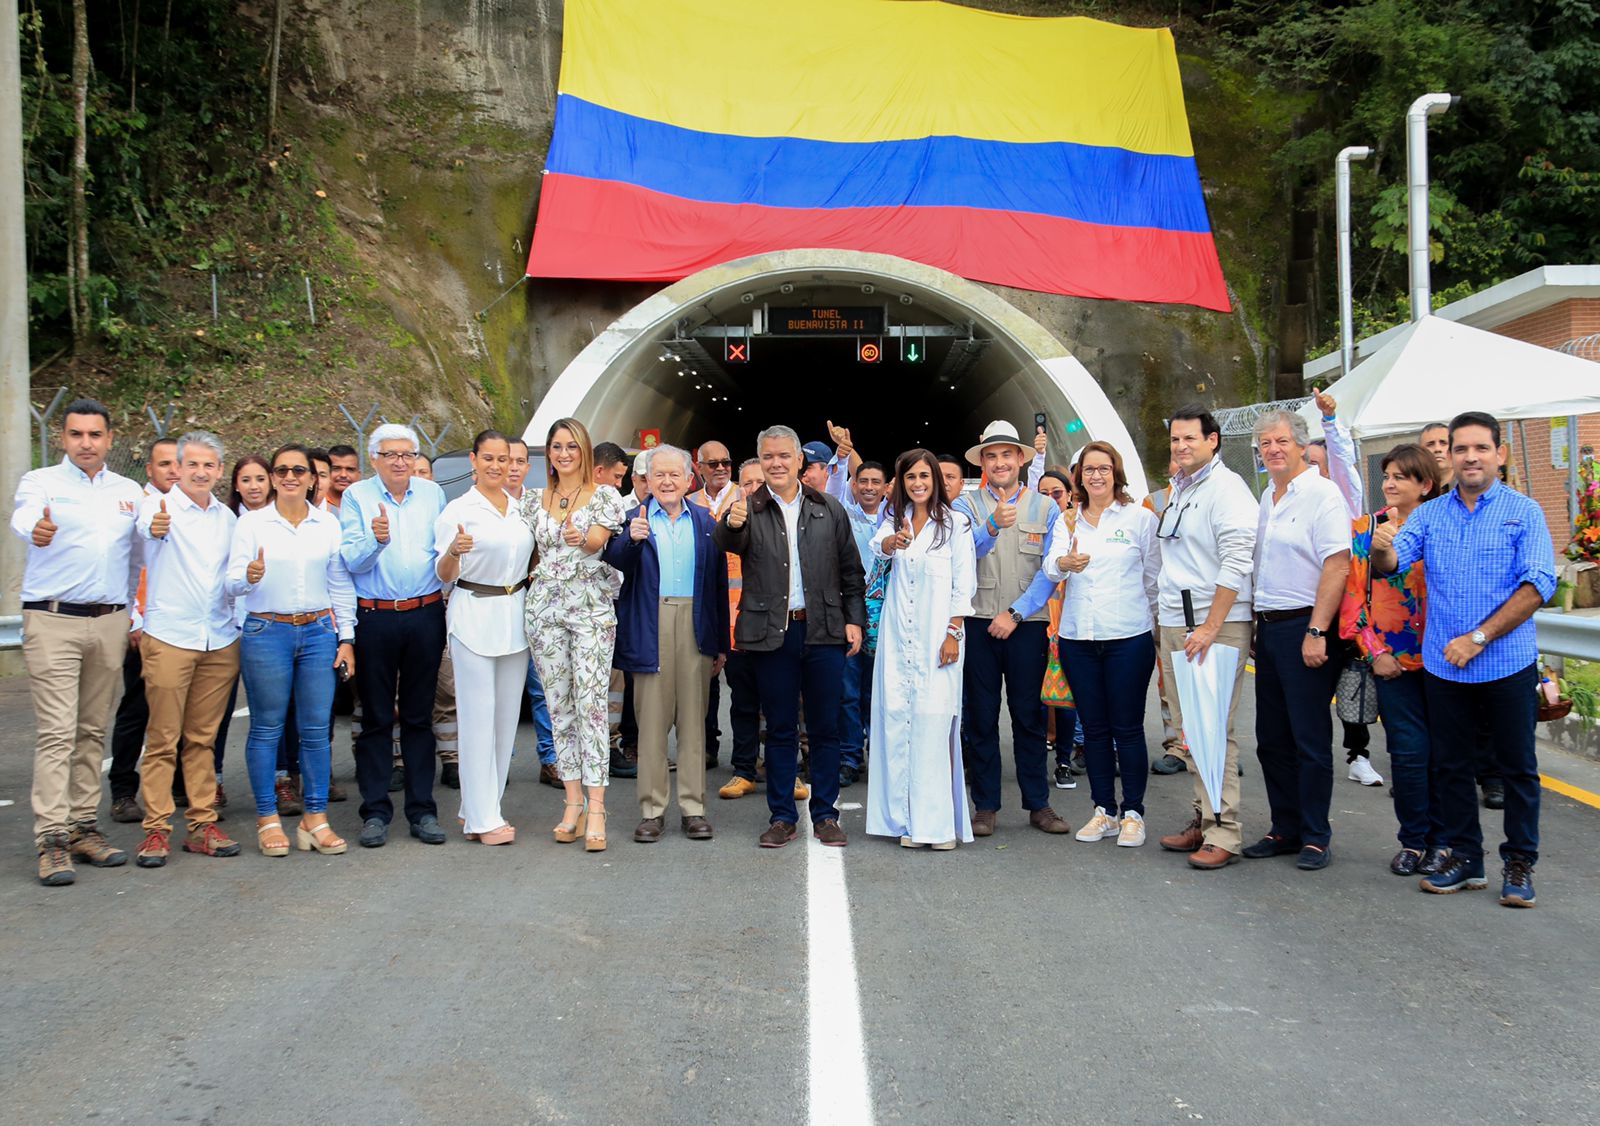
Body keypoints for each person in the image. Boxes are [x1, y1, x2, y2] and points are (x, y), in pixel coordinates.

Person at [1372, 411, 1557, 907]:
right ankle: (1466, 858)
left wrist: (1478, 637)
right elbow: (1394, 563)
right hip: (1443, 666)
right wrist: (1382, 549)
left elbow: (1539, 583)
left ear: (1500, 454)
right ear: (1448, 458)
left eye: (1480, 448)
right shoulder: (1430, 515)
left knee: (1517, 768)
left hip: (1506, 662)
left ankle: (1519, 862)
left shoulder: (1525, 511)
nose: (1470, 457)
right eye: (1460, 449)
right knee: (1450, 767)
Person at [714, 424, 865, 848]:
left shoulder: (829, 508)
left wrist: (854, 620)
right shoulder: (749, 508)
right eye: (768, 457)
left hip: (823, 631)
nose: (776, 463)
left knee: (824, 727)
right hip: (771, 634)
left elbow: (852, 571)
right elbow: (726, 540)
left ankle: (826, 815)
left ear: (800, 461)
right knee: (779, 727)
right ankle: (782, 816)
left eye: (784, 456)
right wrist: (732, 520)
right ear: (760, 462)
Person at [12, 399, 140, 885]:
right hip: (53, 620)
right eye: (76, 434)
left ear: (109, 440)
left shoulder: (129, 492)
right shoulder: (41, 483)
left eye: (95, 435)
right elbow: (24, 520)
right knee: (57, 732)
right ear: (63, 438)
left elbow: (134, 559)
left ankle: (84, 826)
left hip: (109, 621)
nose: (86, 443)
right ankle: (52, 840)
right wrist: (36, 529)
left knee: (91, 730)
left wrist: (129, 614)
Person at [227, 443, 356, 858]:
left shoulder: (327, 524)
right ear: (272, 477)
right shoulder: (252, 525)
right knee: (267, 728)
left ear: (311, 478)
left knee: (317, 730)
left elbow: (339, 583)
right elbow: (230, 583)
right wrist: (247, 576)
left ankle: (315, 819)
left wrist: (347, 638)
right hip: (267, 630)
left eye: (298, 470)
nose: (289, 477)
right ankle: (267, 820)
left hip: (318, 630)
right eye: (280, 470)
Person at [1242, 411, 1351, 872]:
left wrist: (1316, 630)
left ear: (1301, 445)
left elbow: (1338, 565)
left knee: (1308, 738)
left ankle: (1315, 835)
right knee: (1271, 737)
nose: (1273, 450)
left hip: (1304, 626)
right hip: (1267, 628)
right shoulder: (1267, 495)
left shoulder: (1323, 494)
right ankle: (1284, 827)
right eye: (1265, 444)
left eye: (1281, 441)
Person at [954, 420, 1073, 837]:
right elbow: (960, 554)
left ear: (1021, 459)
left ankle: (1038, 804)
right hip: (979, 622)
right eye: (992, 455)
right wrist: (991, 526)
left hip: (1024, 625)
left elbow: (1051, 570)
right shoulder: (965, 506)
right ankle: (985, 805)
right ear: (982, 461)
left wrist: (1017, 613)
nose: (1000, 462)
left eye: (1008, 454)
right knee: (981, 717)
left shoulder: (1047, 507)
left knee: (1030, 717)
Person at [606, 445, 729, 842]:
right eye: (658, 475)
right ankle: (652, 810)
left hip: (695, 621)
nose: (667, 482)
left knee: (694, 720)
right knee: (652, 722)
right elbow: (615, 561)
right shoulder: (632, 520)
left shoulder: (707, 522)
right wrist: (631, 540)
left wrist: (721, 641)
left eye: (674, 474)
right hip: (651, 620)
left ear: (689, 479)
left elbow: (718, 585)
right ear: (646, 479)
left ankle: (693, 808)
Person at [1153, 405, 1258, 870]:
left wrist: (1212, 625)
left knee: (1214, 728)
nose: (1180, 447)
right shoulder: (1180, 489)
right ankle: (1204, 817)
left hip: (1212, 625)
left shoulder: (1227, 489)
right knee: (1192, 730)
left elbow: (1238, 559)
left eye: (1189, 439)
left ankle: (1225, 831)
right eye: (1175, 440)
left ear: (1213, 440)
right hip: (1178, 620)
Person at [132, 432, 242, 867]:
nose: (200, 472)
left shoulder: (227, 519)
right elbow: (145, 532)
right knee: (162, 739)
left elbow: (234, 579)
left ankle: (201, 824)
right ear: (177, 468)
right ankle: (156, 829)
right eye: (191, 464)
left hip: (219, 639)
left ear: (218, 470)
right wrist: (154, 528)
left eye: (209, 465)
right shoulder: (156, 509)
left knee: (202, 739)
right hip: (170, 638)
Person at [1044, 442, 1160, 847]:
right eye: (1088, 469)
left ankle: (1133, 813)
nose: (1096, 476)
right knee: (1093, 730)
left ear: (1116, 473)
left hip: (1128, 636)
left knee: (1126, 728)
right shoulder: (1068, 521)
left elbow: (1153, 577)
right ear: (1079, 476)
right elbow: (1050, 564)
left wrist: (1156, 626)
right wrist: (1064, 564)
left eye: (1103, 469)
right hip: (1078, 638)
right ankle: (1103, 811)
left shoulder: (1140, 519)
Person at [339, 423, 450, 849]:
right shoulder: (357, 497)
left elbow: (441, 553)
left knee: (421, 716)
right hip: (376, 617)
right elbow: (351, 559)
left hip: (424, 614)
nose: (400, 462)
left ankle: (422, 810)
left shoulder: (431, 495)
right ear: (375, 460)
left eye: (407, 454)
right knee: (377, 718)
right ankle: (375, 812)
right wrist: (376, 539)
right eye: (391, 455)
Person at [521, 417, 626, 852]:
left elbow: (598, 541)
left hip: (590, 609)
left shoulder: (603, 495)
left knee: (591, 705)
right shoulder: (531, 500)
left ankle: (598, 806)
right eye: (557, 446)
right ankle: (572, 803)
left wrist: (581, 537)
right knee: (558, 703)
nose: (564, 453)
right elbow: (523, 554)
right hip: (544, 609)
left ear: (584, 451)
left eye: (571, 446)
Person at [866, 449, 977, 849]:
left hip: (938, 638)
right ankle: (904, 821)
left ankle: (939, 826)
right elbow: (878, 548)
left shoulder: (957, 524)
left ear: (936, 481)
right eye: (910, 477)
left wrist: (953, 632)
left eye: (924, 477)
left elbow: (964, 584)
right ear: (901, 482)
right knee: (897, 721)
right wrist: (892, 543)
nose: (918, 483)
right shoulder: (893, 523)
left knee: (933, 724)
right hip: (898, 641)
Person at [1342, 444, 1443, 875]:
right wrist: (1375, 651)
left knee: (1446, 755)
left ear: (1425, 485)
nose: (1390, 483)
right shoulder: (1368, 530)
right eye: (1387, 476)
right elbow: (1354, 601)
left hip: (1445, 660)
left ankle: (1445, 842)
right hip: (1392, 663)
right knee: (1406, 754)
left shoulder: (1444, 524)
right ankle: (1413, 841)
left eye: (1401, 476)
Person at [436, 430, 536, 845]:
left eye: (506, 459)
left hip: (515, 615)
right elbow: (442, 575)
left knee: (504, 720)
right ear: (473, 461)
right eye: (489, 458)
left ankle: (480, 808)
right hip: (474, 613)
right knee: (476, 719)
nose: (499, 466)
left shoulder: (520, 509)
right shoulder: (458, 511)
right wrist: (455, 551)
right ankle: (482, 818)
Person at [1311, 388, 1385, 788]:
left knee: (1356, 682)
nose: (1312, 470)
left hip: (1349, 609)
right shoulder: (1288, 501)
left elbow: (1342, 461)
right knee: (1312, 690)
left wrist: (1329, 422)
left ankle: (1359, 754)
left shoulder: (1342, 498)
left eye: (1317, 464)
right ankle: (1311, 752)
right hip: (1309, 609)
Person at [107, 437, 181, 824]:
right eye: (163, 463)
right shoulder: (139, 508)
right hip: (144, 629)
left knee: (180, 715)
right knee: (137, 712)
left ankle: (180, 786)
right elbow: (129, 568)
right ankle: (122, 790)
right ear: (149, 470)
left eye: (177, 463)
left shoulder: (192, 507)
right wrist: (135, 621)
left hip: (181, 629)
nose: (172, 470)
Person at [822, 422, 887, 787]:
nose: (869, 488)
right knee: (847, 691)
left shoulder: (897, 518)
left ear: (885, 487)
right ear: (854, 485)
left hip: (885, 614)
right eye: (862, 482)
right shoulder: (842, 513)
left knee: (878, 691)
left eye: (876, 482)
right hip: (849, 610)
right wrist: (843, 455)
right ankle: (849, 756)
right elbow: (832, 491)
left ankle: (878, 753)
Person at [716, 458, 780, 800]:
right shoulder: (727, 523)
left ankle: (781, 770)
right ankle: (743, 770)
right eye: (749, 483)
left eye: (761, 481)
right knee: (742, 704)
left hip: (774, 632)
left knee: (778, 705)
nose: (755, 488)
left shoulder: (782, 519)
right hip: (738, 632)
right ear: (740, 487)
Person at [1034, 466, 1083, 788]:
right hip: (1033, 619)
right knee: (1034, 698)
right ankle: (1037, 760)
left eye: (1057, 493)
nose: (1051, 499)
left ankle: (1064, 759)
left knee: (1065, 698)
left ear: (1068, 497)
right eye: (1044, 494)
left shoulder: (1078, 529)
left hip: (1068, 623)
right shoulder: (1027, 524)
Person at [1143, 458, 1188, 776]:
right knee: (1168, 681)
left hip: (1201, 602)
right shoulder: (1155, 502)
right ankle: (1175, 745)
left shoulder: (1211, 494)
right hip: (1165, 602)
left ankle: (1207, 745)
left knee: (1205, 680)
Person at [325, 444, 361, 511]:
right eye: (336, 469)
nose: (343, 475)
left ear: (358, 475)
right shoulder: (315, 503)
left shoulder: (366, 504)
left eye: (350, 469)